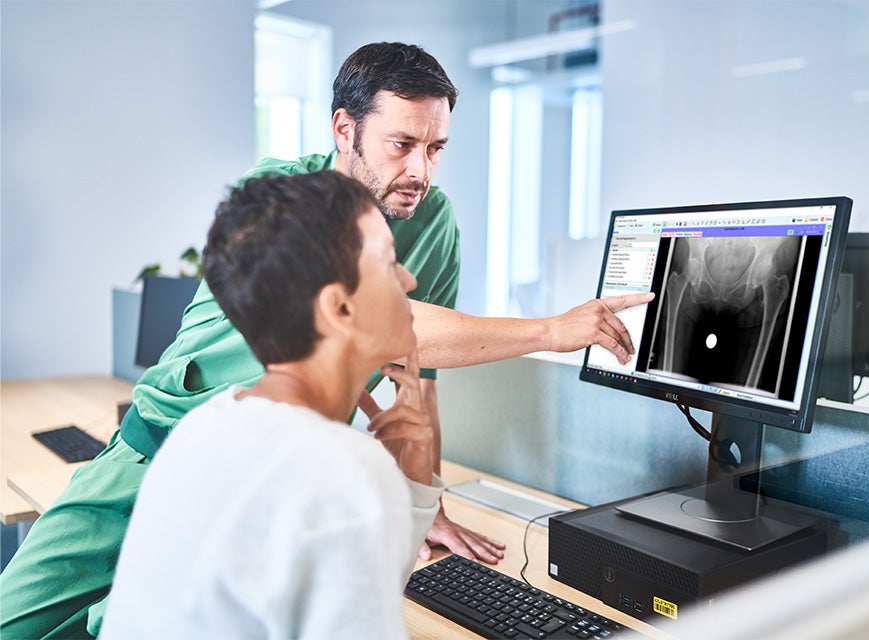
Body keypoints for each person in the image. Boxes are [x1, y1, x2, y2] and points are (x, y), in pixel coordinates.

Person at [0, 42, 653, 639]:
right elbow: (397, 320)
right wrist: (552, 330)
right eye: (401, 144)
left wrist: (421, 504)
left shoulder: (434, 224)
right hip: (150, 457)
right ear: (345, 129)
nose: (421, 171)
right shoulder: (286, 204)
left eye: (436, 148)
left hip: (266, 484)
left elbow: (413, 375)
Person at [99, 170, 443, 638]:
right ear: (339, 308)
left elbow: (357, 584)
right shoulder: (337, 468)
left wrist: (415, 473)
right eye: (388, 264)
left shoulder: (206, 426)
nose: (409, 279)